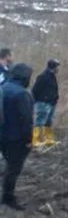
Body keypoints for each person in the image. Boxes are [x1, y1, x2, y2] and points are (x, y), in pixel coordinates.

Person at [1, 64, 34, 209]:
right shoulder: (22, 94)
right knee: (13, 168)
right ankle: (8, 197)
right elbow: (26, 119)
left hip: (2, 134)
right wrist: (28, 140)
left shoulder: (3, 88)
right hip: (15, 138)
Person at [31, 59, 60, 148]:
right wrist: (40, 100)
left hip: (51, 103)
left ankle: (48, 139)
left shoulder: (52, 76)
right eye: (57, 66)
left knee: (48, 121)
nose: (58, 69)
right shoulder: (42, 76)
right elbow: (35, 90)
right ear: (53, 67)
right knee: (40, 121)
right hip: (43, 103)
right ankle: (35, 140)